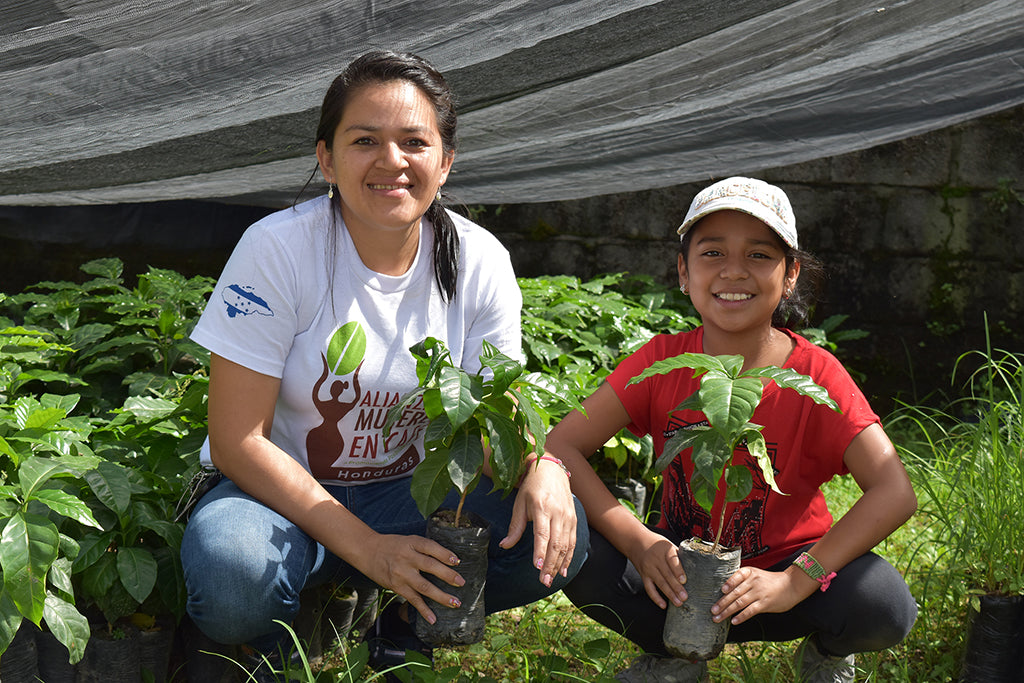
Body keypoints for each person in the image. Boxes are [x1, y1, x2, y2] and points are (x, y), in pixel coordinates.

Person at [180, 50, 586, 678]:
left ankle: (401, 619)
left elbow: (499, 401)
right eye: (365, 140)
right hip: (280, 496)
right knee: (233, 574)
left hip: (409, 495)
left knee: (559, 537)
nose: (391, 162)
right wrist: (367, 549)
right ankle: (275, 641)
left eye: (414, 142)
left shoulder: (479, 261)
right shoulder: (277, 250)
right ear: (326, 158)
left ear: (444, 163)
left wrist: (546, 464)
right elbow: (235, 442)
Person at [547, 177, 918, 683]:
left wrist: (795, 580)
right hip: (675, 579)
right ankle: (675, 656)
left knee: (883, 605)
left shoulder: (815, 376)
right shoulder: (662, 362)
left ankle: (828, 653)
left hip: (782, 584)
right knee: (572, 546)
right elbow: (562, 445)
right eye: (712, 252)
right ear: (684, 270)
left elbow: (894, 491)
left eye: (760, 255)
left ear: (790, 275)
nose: (734, 271)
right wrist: (639, 542)